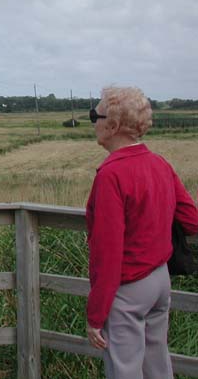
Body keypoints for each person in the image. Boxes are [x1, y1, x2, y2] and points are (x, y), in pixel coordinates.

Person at [85, 86, 198, 378]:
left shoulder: (111, 175)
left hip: (128, 285)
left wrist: (95, 315)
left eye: (94, 115)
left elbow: (107, 252)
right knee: (157, 365)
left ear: (113, 125)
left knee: (124, 370)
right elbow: (192, 220)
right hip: (160, 280)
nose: (93, 122)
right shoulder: (159, 163)